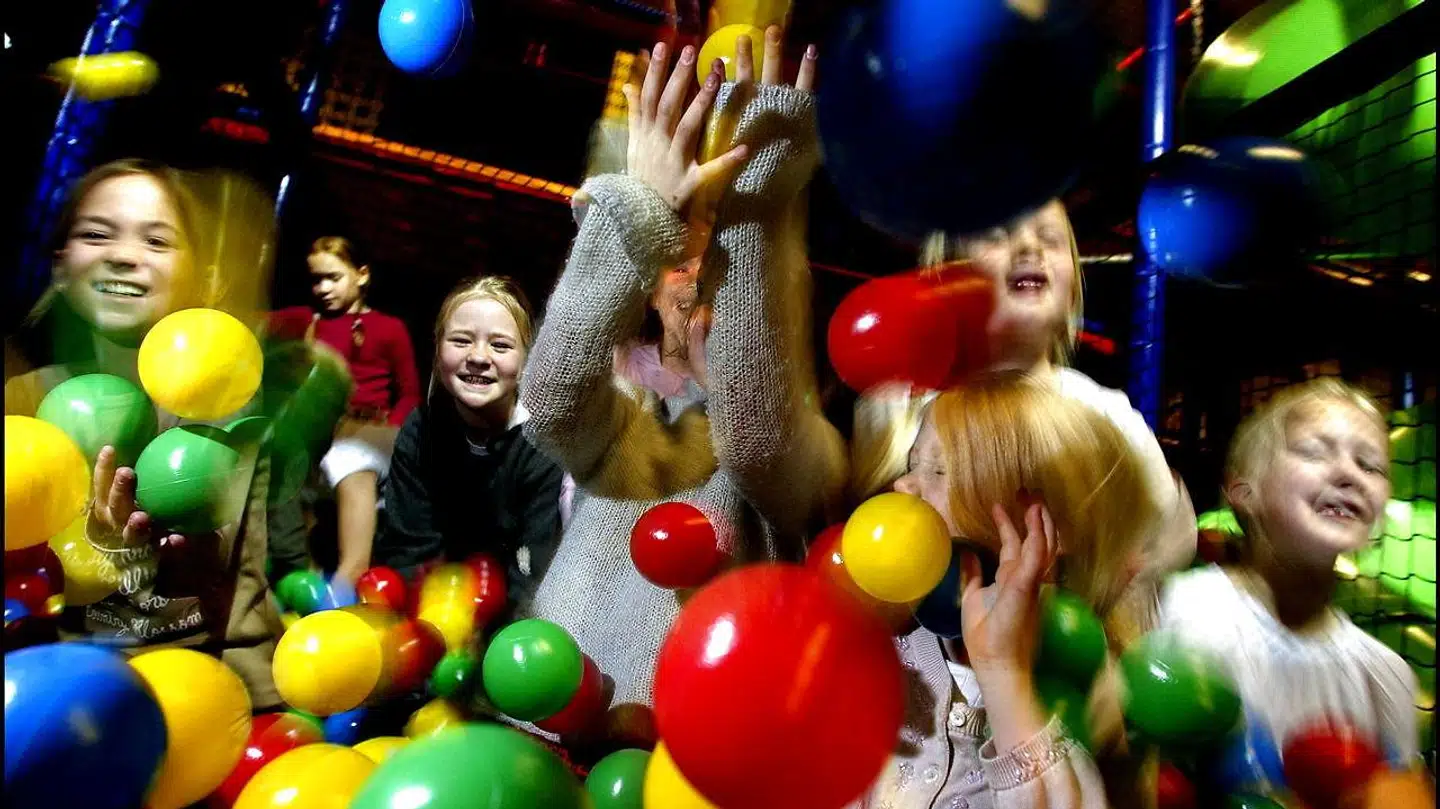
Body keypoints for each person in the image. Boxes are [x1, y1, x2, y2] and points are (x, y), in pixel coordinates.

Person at [521, 29, 846, 713]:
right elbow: (550, 402)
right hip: (554, 717)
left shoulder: (812, 440)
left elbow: (757, 441)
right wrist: (637, 208)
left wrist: (756, 203)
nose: (701, 270)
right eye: (687, 243)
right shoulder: (626, 418)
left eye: (724, 253)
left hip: (697, 752)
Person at [4, 158, 284, 708]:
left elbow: (210, 587)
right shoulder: (21, 400)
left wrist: (153, 563)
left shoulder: (223, 411)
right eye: (95, 233)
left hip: (207, 686)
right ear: (60, 264)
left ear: (199, 276)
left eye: (157, 241)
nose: (124, 255)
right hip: (45, 684)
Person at [853, 201, 1198, 624]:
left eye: (1050, 239)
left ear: (1073, 286)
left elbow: (1159, 552)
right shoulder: (897, 405)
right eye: (998, 235)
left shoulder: (1106, 414)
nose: (1029, 246)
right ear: (946, 273)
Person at [854, 374, 1165, 809]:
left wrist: (1004, 675)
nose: (904, 486)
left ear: (1050, 527)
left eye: (940, 471)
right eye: (912, 464)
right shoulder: (893, 641)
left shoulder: (1086, 679)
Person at [1158, 379, 1425, 783]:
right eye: (1315, 453)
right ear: (1243, 491)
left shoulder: (1386, 677)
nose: (1348, 474)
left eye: (1369, 465)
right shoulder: (1179, 610)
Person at [373, 276, 564, 608]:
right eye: (461, 341)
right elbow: (408, 549)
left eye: (500, 345)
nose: (478, 356)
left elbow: (534, 570)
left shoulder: (541, 445)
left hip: (512, 626)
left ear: (525, 362)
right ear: (437, 349)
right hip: (432, 614)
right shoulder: (421, 430)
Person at [268, 237, 421, 584]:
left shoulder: (389, 328)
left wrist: (390, 427)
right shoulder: (307, 322)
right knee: (279, 453)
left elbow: (409, 393)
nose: (322, 288)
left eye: (333, 278)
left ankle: (351, 574)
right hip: (321, 430)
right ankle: (296, 568)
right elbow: (251, 320)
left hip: (373, 431)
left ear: (362, 275)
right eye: (316, 280)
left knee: (350, 457)